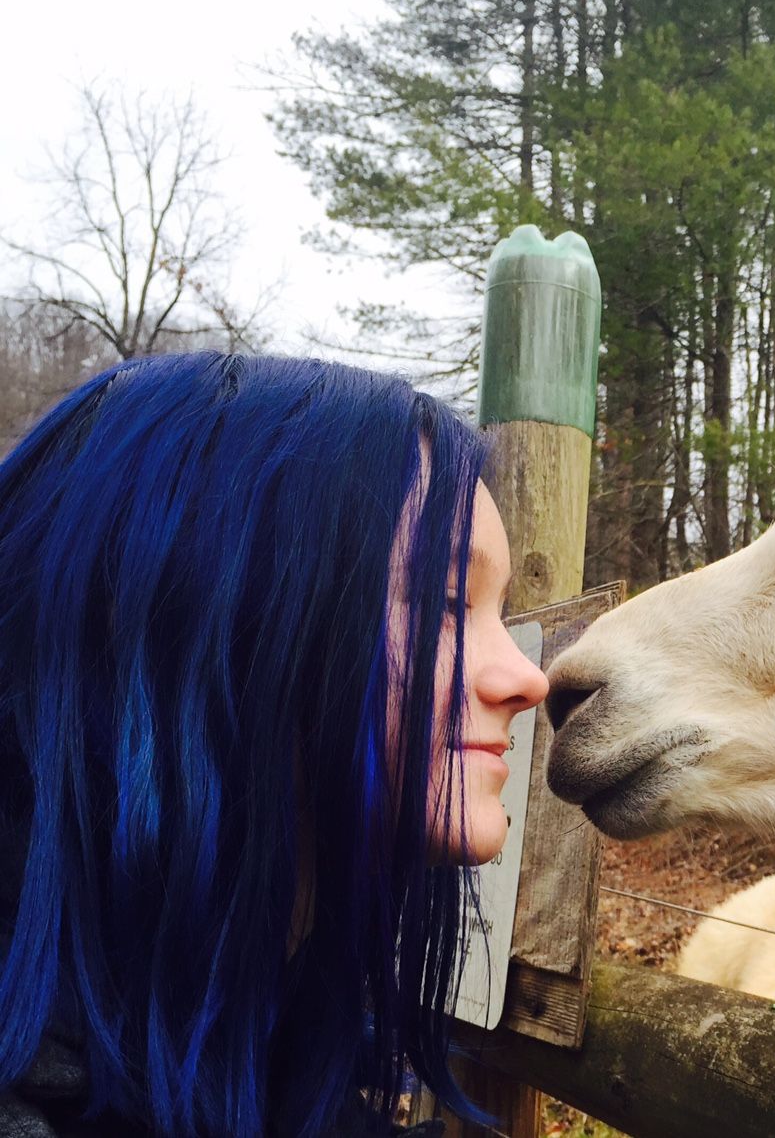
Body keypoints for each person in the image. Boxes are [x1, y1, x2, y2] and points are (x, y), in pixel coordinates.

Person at [0, 353, 549, 1137]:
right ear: (203, 609)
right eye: (446, 599)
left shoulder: (268, 1020)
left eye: (500, 611)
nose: (528, 679)